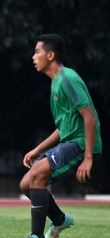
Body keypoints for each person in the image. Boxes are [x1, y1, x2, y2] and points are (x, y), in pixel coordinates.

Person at [20, 34, 102, 238]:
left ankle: (35, 235)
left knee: (38, 173)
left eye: (37, 51)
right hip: (70, 140)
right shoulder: (55, 83)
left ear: (50, 55)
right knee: (25, 184)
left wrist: (88, 158)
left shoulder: (68, 79)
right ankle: (59, 220)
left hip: (81, 144)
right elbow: (63, 128)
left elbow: (89, 118)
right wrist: (37, 150)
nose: (33, 56)